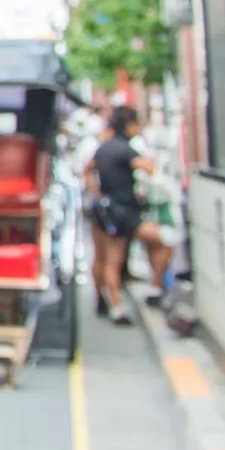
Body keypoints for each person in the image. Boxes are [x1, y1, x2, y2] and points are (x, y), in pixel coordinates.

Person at [84, 104, 166, 323]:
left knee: (100, 258)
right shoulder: (126, 150)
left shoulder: (102, 148)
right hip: (122, 211)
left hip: (102, 208)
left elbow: (87, 169)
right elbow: (150, 169)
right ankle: (122, 305)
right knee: (160, 241)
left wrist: (96, 191)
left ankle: (101, 298)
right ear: (129, 125)